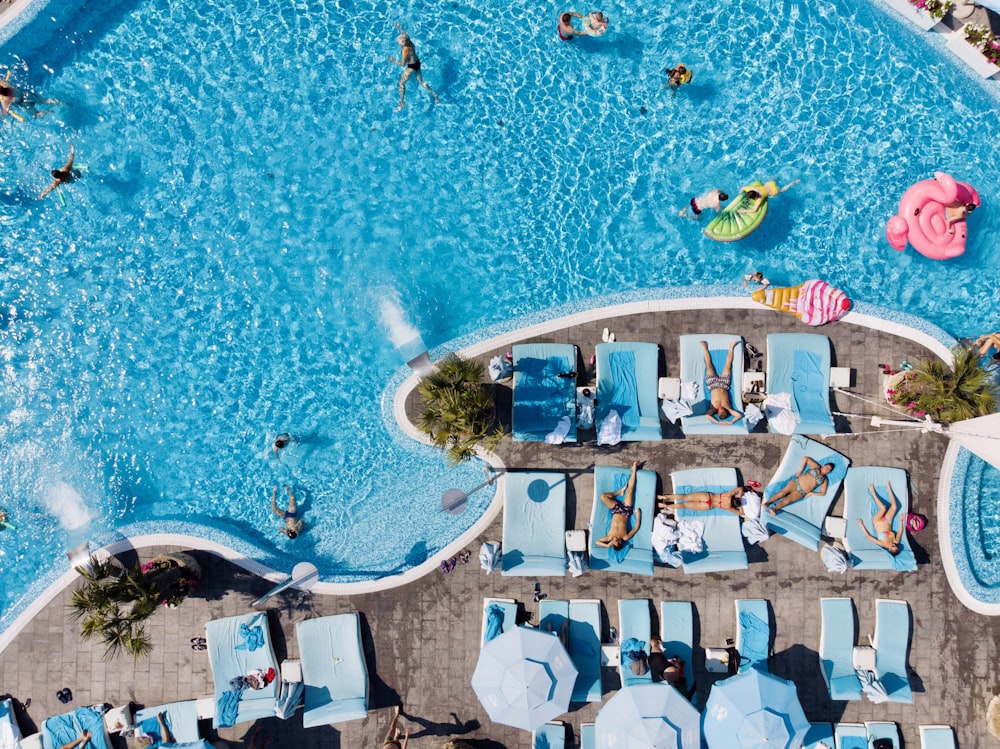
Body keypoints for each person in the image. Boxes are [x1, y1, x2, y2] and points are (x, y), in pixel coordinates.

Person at [389, 27, 439, 112]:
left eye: (399, 43)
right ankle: (434, 94)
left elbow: (402, 64)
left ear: (402, 44)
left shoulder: (405, 50)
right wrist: (399, 28)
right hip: (417, 63)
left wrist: (393, 60)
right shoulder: (410, 43)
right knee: (421, 82)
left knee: (401, 83)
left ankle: (402, 103)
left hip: (411, 67)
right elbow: (405, 34)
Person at [595, 461, 643, 551]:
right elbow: (636, 528)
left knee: (603, 496)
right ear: (620, 543)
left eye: (614, 542)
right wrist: (638, 515)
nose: (615, 540)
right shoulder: (625, 537)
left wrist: (607, 545)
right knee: (630, 490)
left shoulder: (609, 538)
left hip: (616, 510)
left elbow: (596, 542)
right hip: (625, 511)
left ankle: (619, 492)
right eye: (617, 542)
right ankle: (634, 470)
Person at [762, 457, 834, 515]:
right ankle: (768, 503)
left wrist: (811, 493)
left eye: (829, 469)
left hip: (802, 492)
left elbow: (823, 493)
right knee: (782, 493)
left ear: (829, 472)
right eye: (827, 466)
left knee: (787, 501)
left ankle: (773, 509)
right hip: (796, 483)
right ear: (824, 465)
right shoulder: (816, 467)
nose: (827, 469)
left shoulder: (824, 480)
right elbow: (805, 458)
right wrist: (800, 470)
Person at [701, 340, 743, 424]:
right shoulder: (728, 408)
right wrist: (731, 422)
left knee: (709, 366)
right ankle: (731, 347)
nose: (722, 409)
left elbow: (707, 416)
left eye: (720, 412)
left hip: (712, 385)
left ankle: (705, 348)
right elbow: (739, 415)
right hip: (724, 384)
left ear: (718, 413)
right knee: (728, 366)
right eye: (724, 411)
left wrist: (717, 422)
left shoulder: (713, 409)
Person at [856, 482, 903, 556]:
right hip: (887, 521)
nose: (894, 544)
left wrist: (861, 524)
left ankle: (873, 492)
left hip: (877, 521)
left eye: (893, 546)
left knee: (883, 508)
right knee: (895, 507)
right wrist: (901, 520)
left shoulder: (882, 544)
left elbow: (868, 536)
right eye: (896, 546)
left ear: (889, 549)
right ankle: (889, 489)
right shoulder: (896, 541)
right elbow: (900, 532)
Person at [657, 485, 746, 516]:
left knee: (685, 497)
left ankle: (665, 497)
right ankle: (666, 506)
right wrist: (741, 505)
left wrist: (740, 496)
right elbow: (741, 513)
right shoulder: (729, 507)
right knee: (685, 505)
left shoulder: (729, 495)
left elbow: (740, 488)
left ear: (736, 498)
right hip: (708, 506)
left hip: (708, 497)